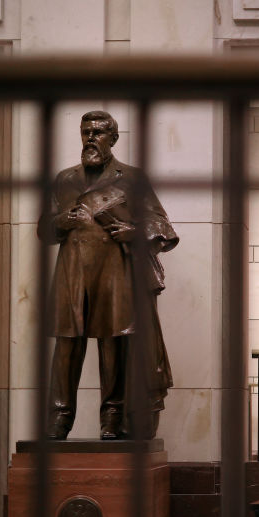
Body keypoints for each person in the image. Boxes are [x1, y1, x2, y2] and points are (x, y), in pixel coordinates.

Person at [39, 110, 178, 440]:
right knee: (66, 347)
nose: (90, 137)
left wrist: (133, 230)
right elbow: (44, 228)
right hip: (72, 272)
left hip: (115, 272)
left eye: (99, 132)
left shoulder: (131, 177)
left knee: (113, 346)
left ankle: (112, 419)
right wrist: (62, 222)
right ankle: (58, 418)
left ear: (113, 139)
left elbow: (163, 227)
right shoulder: (64, 179)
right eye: (86, 131)